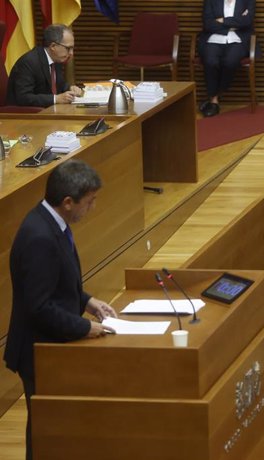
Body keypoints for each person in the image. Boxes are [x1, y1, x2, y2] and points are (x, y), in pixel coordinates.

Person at [3, 159, 116, 460]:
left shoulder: (52, 222)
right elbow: (39, 306)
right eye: (89, 202)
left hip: (50, 347)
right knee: (45, 431)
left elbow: (57, 283)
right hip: (40, 351)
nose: (92, 208)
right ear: (68, 202)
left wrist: (87, 301)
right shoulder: (40, 237)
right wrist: (85, 327)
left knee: (54, 429)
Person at [198, 0, 255, 117]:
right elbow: (208, 24)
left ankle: (215, 95)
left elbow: (247, 22)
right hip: (214, 38)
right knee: (210, 61)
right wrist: (233, 24)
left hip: (238, 39)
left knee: (230, 61)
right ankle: (214, 101)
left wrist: (222, 20)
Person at [5, 24, 83, 107]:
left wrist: (71, 89)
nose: (71, 53)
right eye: (68, 48)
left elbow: (60, 85)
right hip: (23, 116)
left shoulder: (56, 59)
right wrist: (56, 99)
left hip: (47, 112)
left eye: (72, 48)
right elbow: (23, 98)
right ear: (53, 46)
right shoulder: (29, 62)